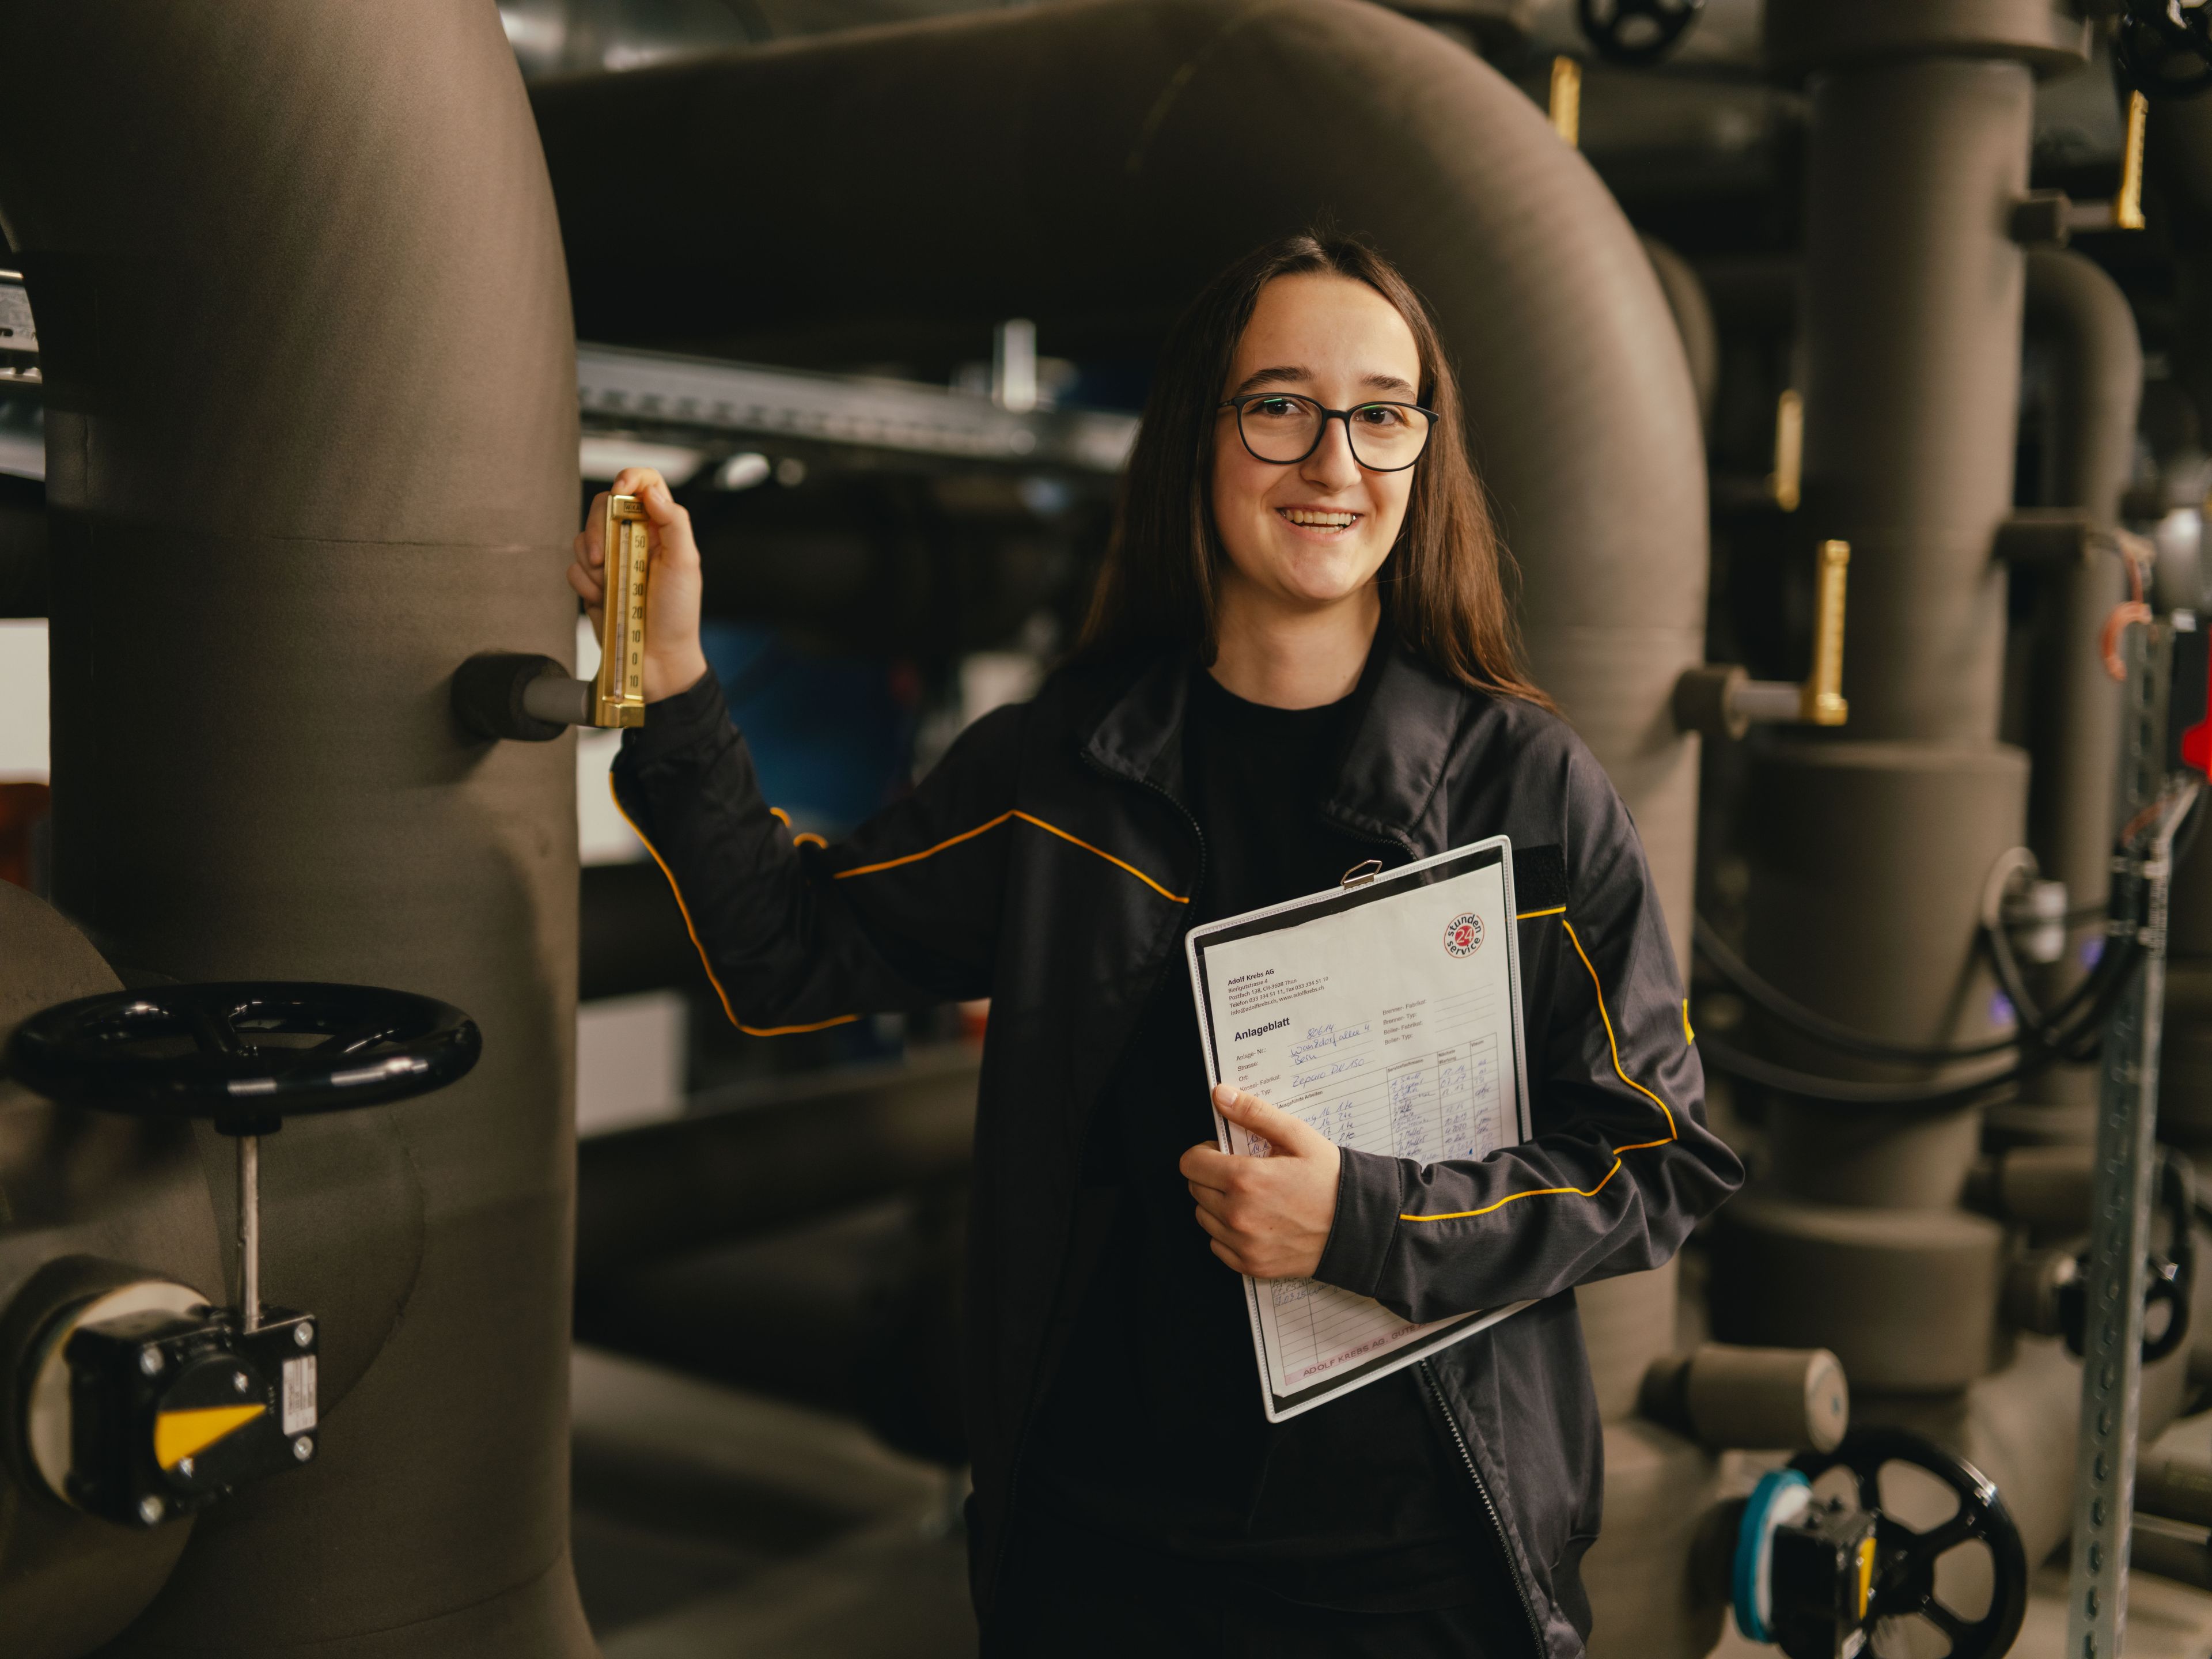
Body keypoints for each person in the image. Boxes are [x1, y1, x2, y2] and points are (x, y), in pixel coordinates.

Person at [570, 232, 1742, 1658]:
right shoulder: (1061, 770)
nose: (1334, 462)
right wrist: (675, 678)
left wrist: (1363, 1223)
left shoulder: (1525, 790)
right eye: (1281, 407)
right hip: (1098, 1556)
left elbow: (1655, 1153)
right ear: (1201, 435)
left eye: (1382, 414)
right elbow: (791, 952)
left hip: (1414, 1570)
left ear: (1424, 456)